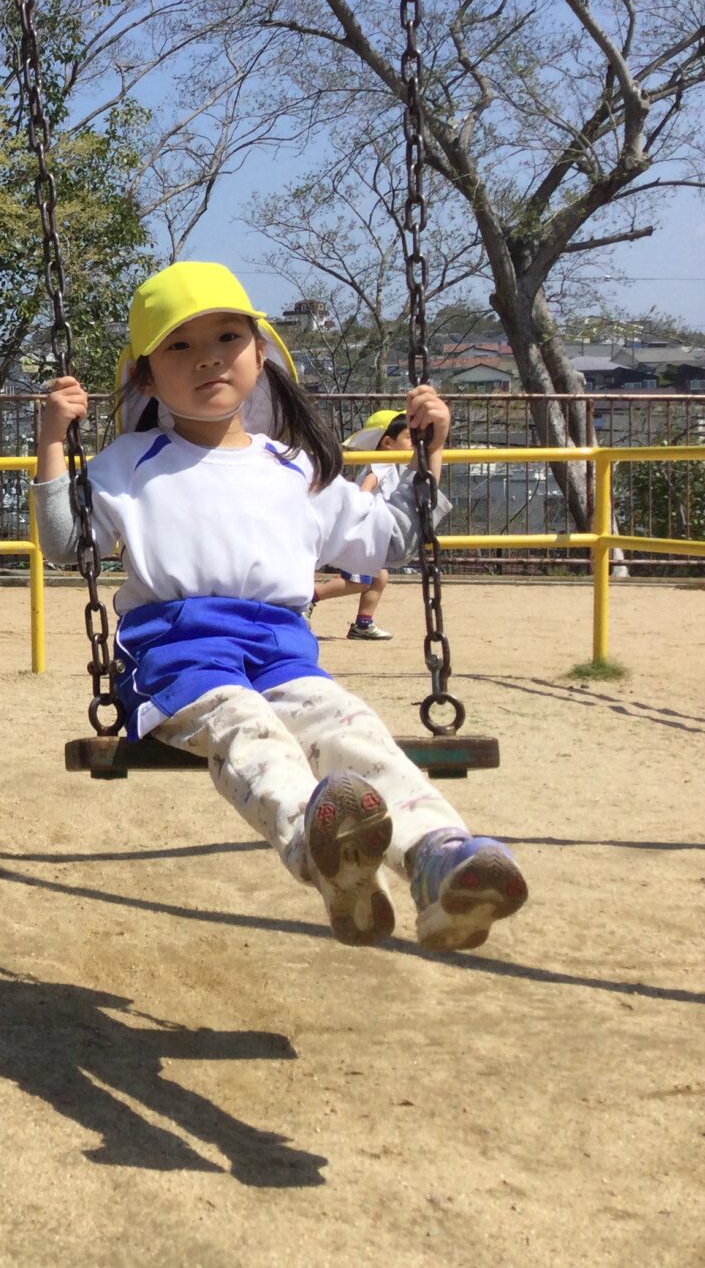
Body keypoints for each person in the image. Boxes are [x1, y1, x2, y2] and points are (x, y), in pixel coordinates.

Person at [37, 262, 526, 950]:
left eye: (228, 337)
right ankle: (319, 849)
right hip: (180, 656)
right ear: (146, 376)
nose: (207, 356)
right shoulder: (128, 462)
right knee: (247, 728)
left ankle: (439, 862)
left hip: (283, 654)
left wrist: (430, 456)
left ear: (260, 355)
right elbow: (64, 543)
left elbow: (390, 539)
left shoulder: (297, 468)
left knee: (352, 730)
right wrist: (53, 442)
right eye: (179, 345)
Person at [306, 410, 411, 640]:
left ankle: (363, 623)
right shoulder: (381, 465)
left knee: (379, 578)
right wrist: (359, 511)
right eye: (408, 437)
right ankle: (310, 596)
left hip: (370, 533)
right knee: (358, 582)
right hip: (363, 532)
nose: (413, 443)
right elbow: (366, 487)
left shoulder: (390, 465)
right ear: (387, 443)